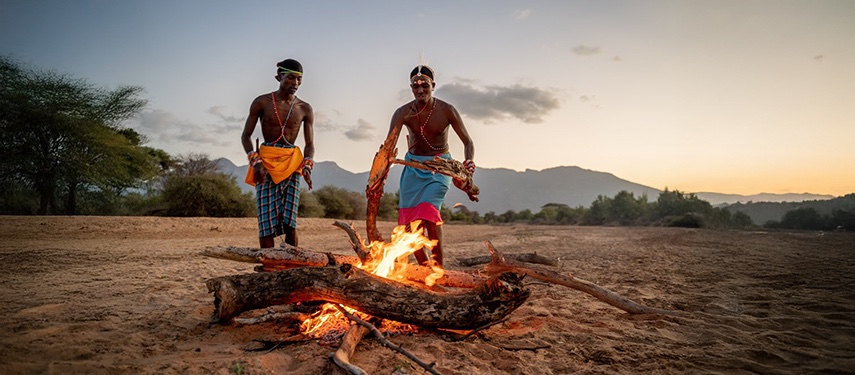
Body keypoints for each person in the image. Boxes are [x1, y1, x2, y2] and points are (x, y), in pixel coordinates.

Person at [386, 65, 475, 267]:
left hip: (440, 167)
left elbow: (468, 142)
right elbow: (389, 143)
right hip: (413, 168)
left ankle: (439, 270)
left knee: (428, 213)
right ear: (410, 87)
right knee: (410, 227)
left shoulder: (447, 110)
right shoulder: (403, 112)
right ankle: (426, 271)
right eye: (415, 86)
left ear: (433, 85)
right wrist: (381, 167)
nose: (420, 90)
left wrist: (468, 164)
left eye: (424, 85)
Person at [241, 58, 314, 249]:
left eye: (299, 79)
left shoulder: (304, 108)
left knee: (290, 220)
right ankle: (269, 266)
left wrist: (307, 165)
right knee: (266, 221)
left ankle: (291, 266)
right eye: (291, 78)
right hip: (265, 163)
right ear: (279, 77)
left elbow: (310, 144)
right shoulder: (261, 102)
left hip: (293, 163)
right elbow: (246, 136)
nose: (296, 83)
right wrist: (256, 163)